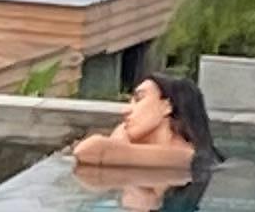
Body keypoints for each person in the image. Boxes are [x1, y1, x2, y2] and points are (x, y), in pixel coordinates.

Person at [74, 72, 221, 177]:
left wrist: (120, 136)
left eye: (139, 99)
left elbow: (91, 151)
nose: (126, 110)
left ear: (167, 106)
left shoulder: (183, 157)